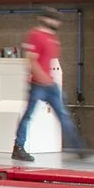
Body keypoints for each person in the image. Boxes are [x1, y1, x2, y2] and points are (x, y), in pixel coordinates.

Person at [11, 12, 76, 162]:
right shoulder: (35, 35)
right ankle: (18, 147)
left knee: (62, 114)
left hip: (50, 83)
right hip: (38, 84)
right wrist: (42, 78)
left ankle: (78, 146)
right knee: (28, 115)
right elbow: (31, 60)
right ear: (45, 19)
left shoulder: (52, 38)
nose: (57, 23)